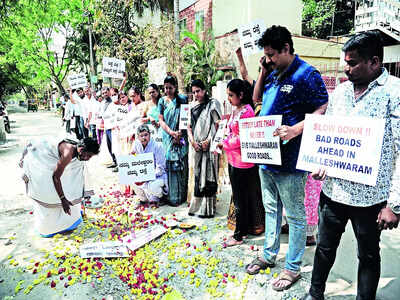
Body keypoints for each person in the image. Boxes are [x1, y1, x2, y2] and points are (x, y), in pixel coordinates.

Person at [302, 31, 400, 300]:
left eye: (353, 62)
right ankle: (315, 293)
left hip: (371, 198)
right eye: (344, 61)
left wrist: (394, 204)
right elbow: (330, 135)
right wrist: (319, 161)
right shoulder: (342, 91)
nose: (346, 68)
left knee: (368, 255)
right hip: (334, 191)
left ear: (375, 62)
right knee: (324, 247)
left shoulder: (395, 92)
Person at [246, 25, 328, 291]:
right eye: (265, 55)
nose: (268, 59)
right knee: (271, 209)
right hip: (265, 157)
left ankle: (292, 267)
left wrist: (295, 130)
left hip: (290, 160)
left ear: (286, 49)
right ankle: (269, 254)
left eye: (271, 55)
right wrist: (263, 69)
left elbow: (323, 107)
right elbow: (256, 99)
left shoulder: (307, 74)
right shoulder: (273, 73)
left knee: (294, 215)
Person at [19, 137, 99, 237]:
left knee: (69, 185)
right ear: (81, 149)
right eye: (88, 155)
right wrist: (63, 199)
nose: (88, 159)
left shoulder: (78, 151)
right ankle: (51, 228)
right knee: (49, 192)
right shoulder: (68, 153)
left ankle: (69, 222)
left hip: (55, 161)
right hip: (41, 158)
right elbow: (55, 177)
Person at [218, 79, 263, 246]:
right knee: (238, 198)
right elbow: (231, 131)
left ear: (241, 95)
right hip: (233, 160)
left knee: (241, 199)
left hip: (244, 163)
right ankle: (241, 230)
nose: (229, 98)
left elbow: (243, 136)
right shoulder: (237, 110)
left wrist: (225, 144)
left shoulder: (247, 112)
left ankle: (239, 235)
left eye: (231, 95)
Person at [187, 79, 221, 218]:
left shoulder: (213, 104)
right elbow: (188, 127)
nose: (196, 94)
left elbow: (218, 125)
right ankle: (197, 207)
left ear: (204, 90)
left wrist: (209, 141)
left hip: (210, 146)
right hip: (196, 147)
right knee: (197, 175)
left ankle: (208, 209)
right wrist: (193, 142)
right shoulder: (191, 106)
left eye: (198, 91)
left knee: (209, 176)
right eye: (194, 92)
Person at [158, 75, 189, 206]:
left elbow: (185, 117)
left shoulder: (182, 99)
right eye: (166, 88)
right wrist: (171, 133)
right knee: (170, 165)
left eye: (170, 88)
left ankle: (182, 195)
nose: (168, 90)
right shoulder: (162, 102)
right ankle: (172, 196)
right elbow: (161, 120)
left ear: (175, 87)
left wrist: (179, 134)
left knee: (181, 164)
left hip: (181, 136)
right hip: (167, 136)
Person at [131, 124, 168, 206]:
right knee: (131, 178)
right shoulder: (136, 144)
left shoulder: (157, 146)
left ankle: (161, 198)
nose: (144, 138)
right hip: (143, 173)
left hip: (158, 175)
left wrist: (147, 177)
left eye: (146, 135)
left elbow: (160, 168)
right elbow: (132, 155)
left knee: (153, 186)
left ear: (150, 135)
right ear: (138, 137)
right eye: (141, 136)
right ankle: (143, 199)